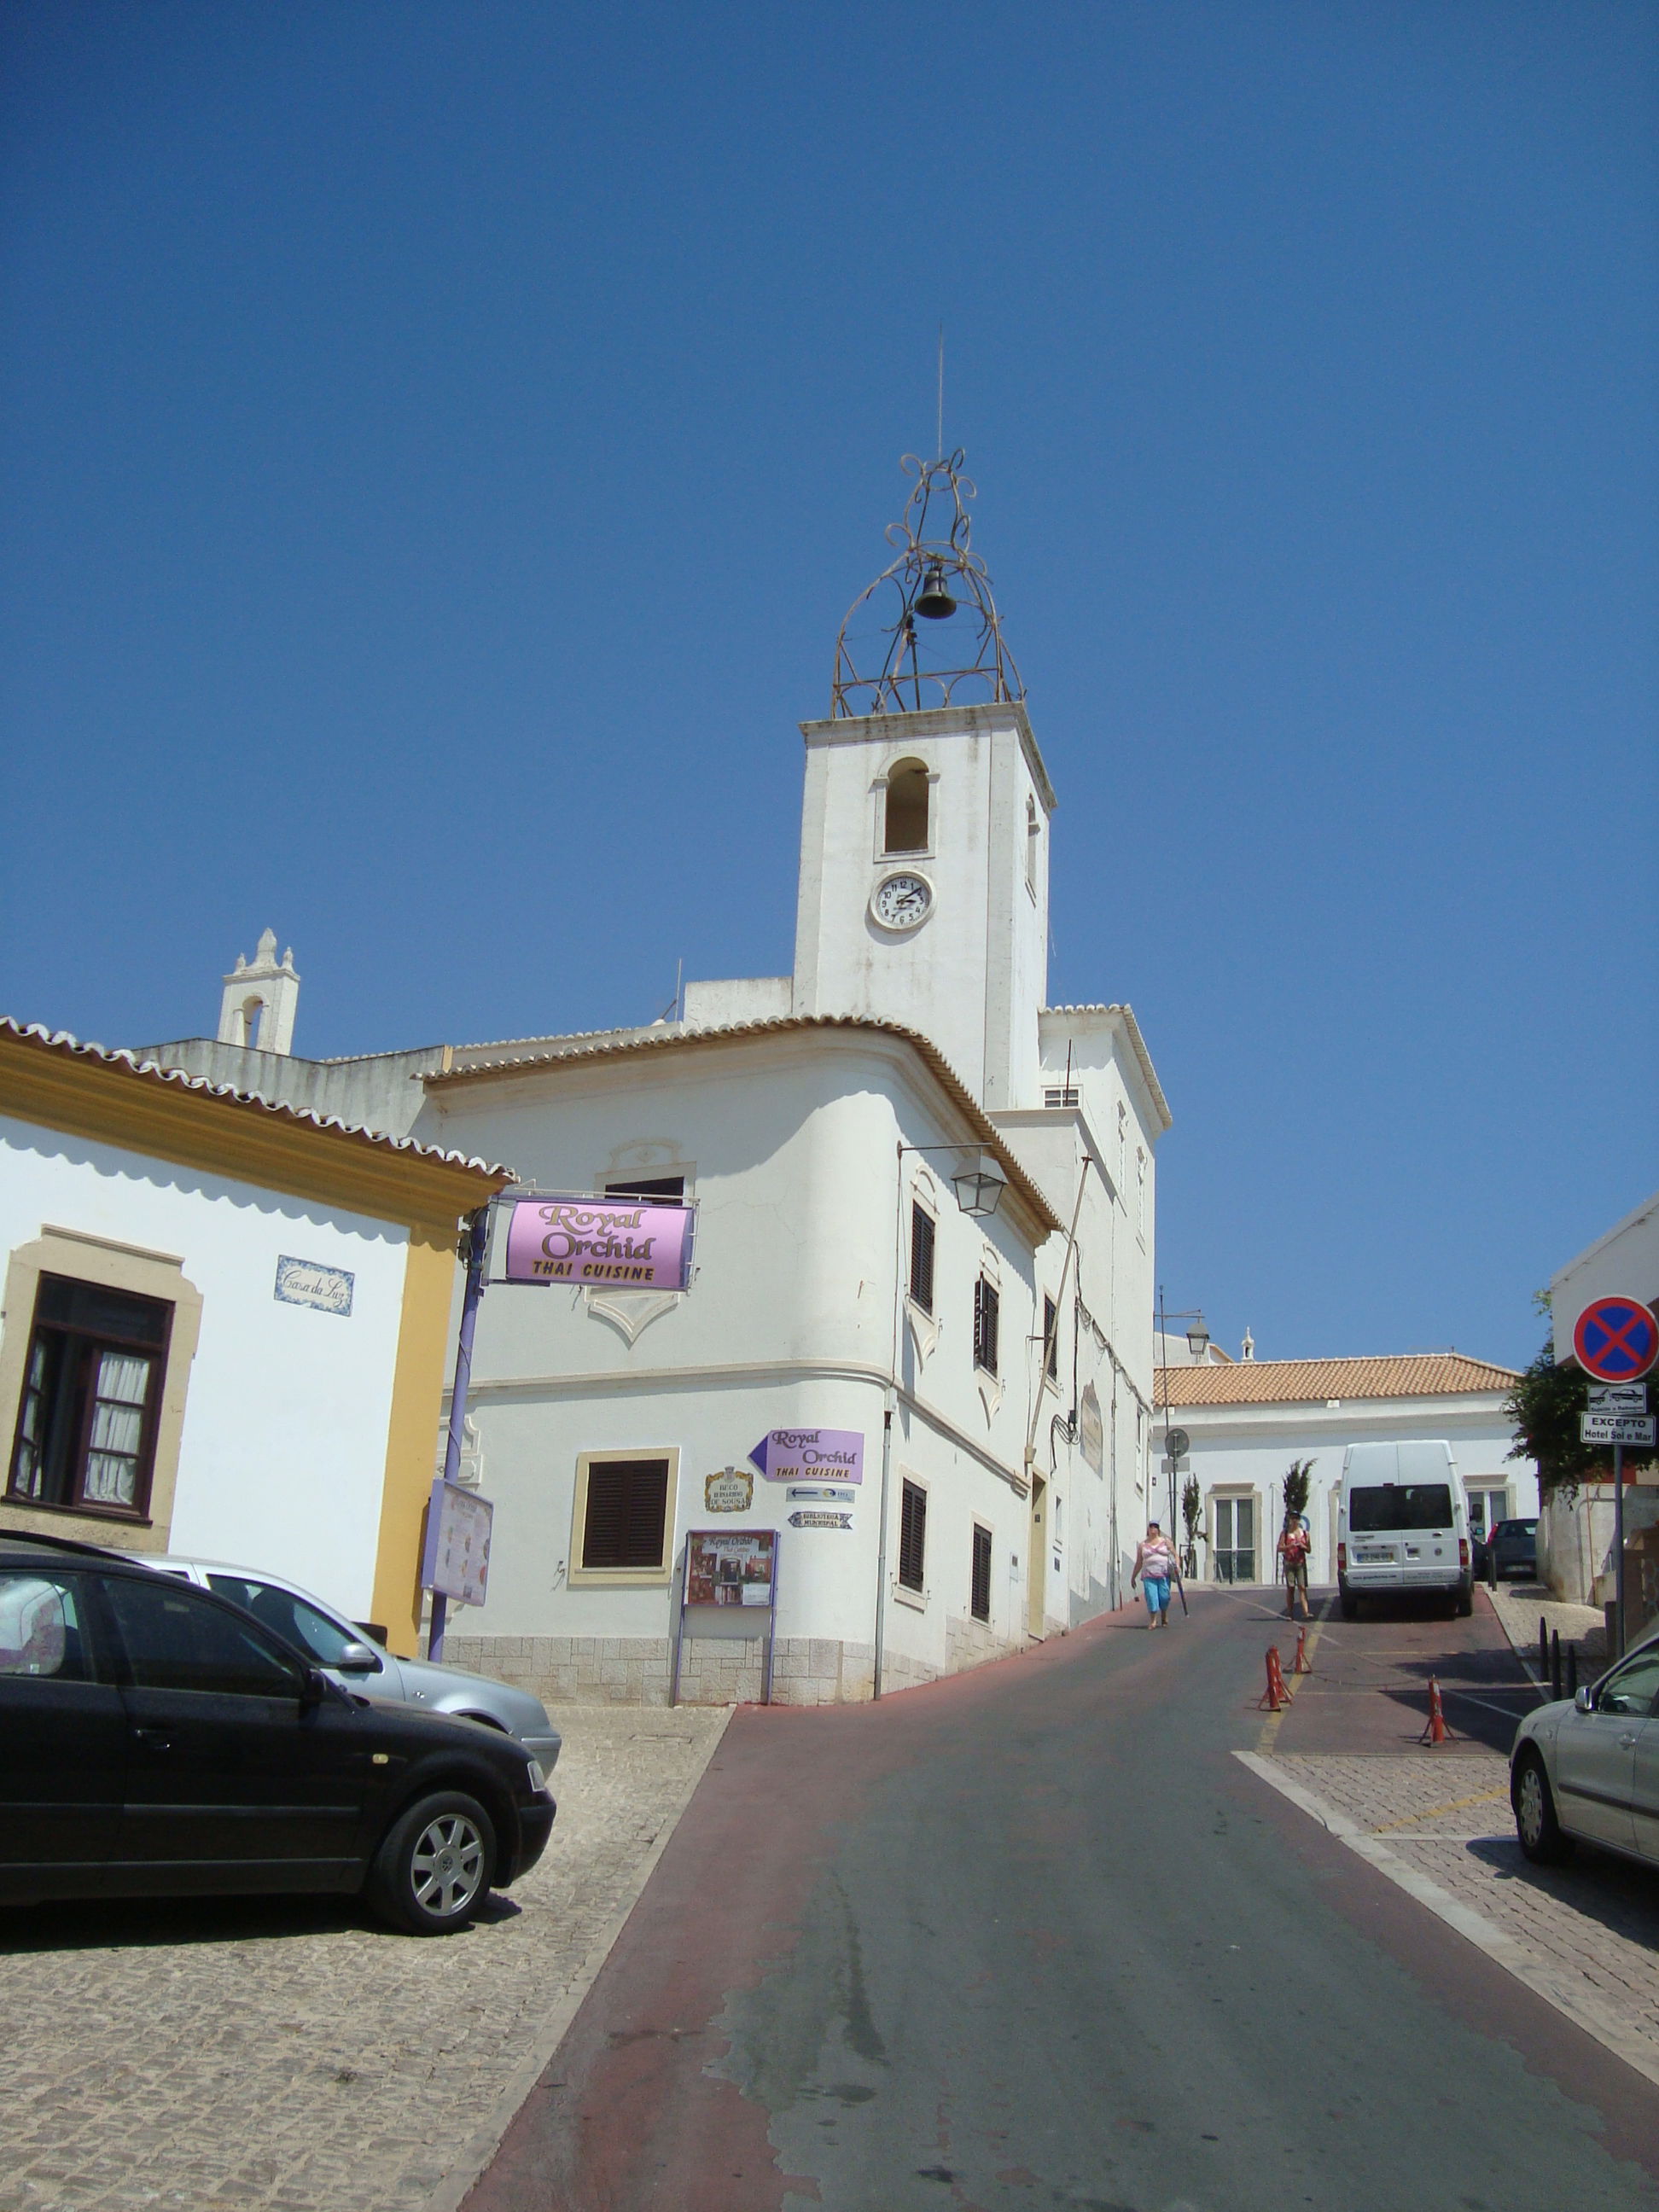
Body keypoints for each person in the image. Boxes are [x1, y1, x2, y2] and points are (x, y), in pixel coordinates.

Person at [1132, 1520, 1180, 1629]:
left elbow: (1175, 1555)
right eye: (1151, 1527)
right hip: (1149, 1575)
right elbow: (1139, 1562)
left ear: (1158, 1529)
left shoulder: (1166, 1542)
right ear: (1148, 1529)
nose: (1153, 1529)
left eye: (1155, 1527)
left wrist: (1178, 1566)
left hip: (1164, 1574)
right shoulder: (1143, 1545)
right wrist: (1133, 1577)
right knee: (1151, 1597)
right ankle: (1153, 1620)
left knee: (1164, 1597)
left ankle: (1164, 1614)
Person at [1278, 1510, 1312, 1621]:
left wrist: (1303, 1546)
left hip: (1300, 1563)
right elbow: (1279, 1548)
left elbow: (1309, 1549)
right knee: (1291, 1588)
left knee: (1302, 1587)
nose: (1294, 1521)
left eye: (1296, 1518)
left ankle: (1306, 1612)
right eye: (1292, 1518)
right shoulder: (1285, 1533)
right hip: (1289, 1563)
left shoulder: (1305, 1534)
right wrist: (1289, 1547)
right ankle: (1290, 1613)